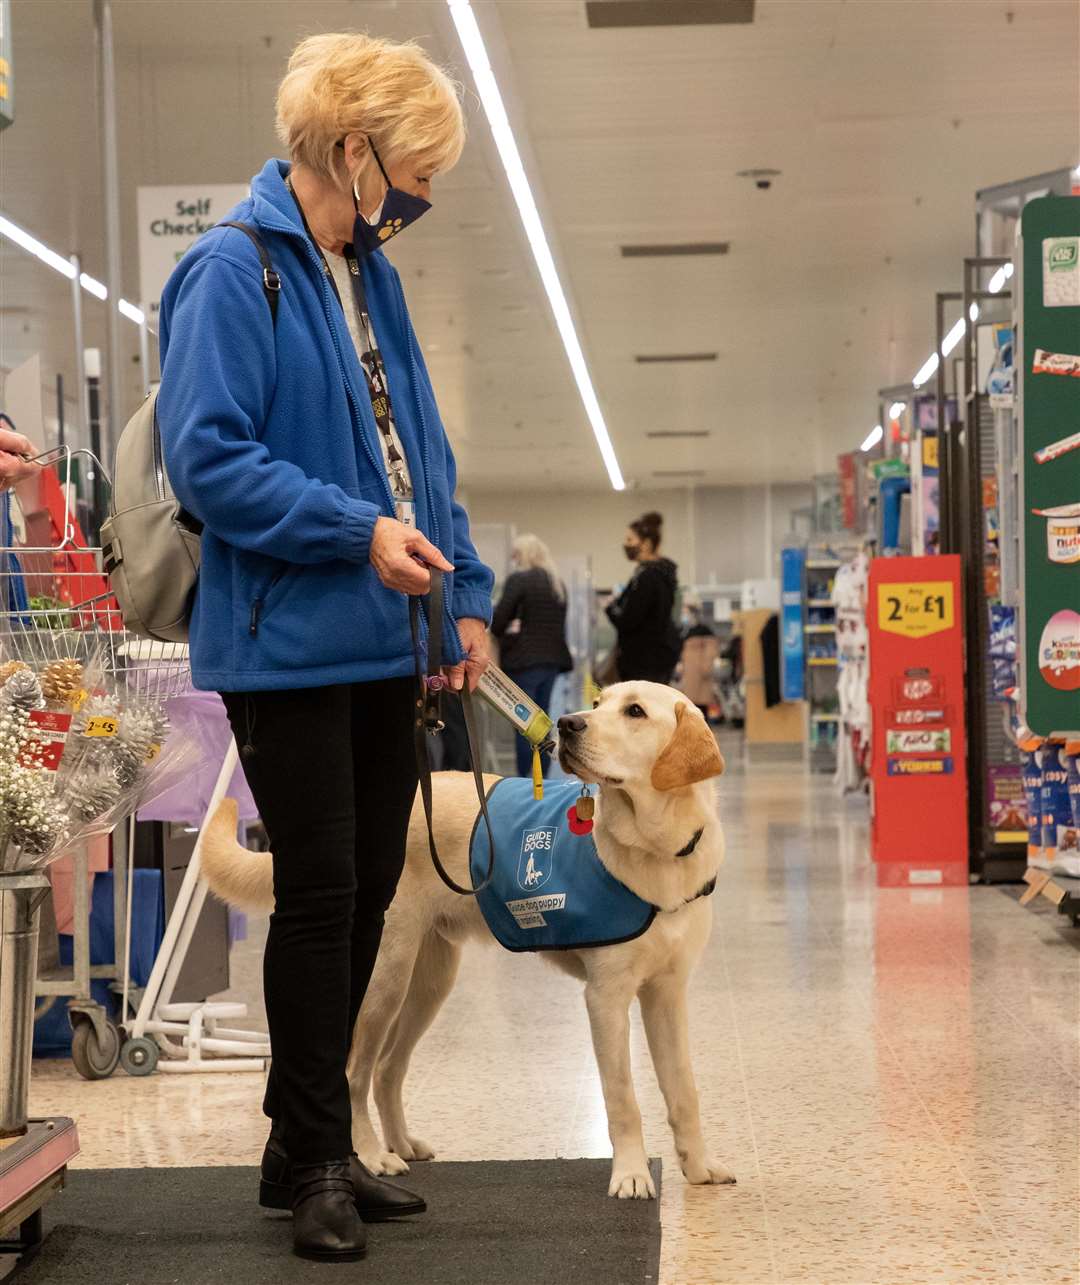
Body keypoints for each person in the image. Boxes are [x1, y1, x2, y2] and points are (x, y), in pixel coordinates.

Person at [156, 33, 494, 1264]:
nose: (419, 197)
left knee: (360, 906)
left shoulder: (370, 278)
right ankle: (310, 1159)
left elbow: (423, 451)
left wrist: (462, 591)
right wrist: (358, 533)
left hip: (385, 635)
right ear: (349, 150)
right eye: (411, 170)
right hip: (284, 641)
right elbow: (211, 461)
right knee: (319, 900)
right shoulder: (230, 272)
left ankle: (309, 1140)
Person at [491, 533, 573, 777]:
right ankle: (543, 776)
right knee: (542, 721)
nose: (514, 560)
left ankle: (526, 779)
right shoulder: (557, 583)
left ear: (523, 555)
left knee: (524, 723)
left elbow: (498, 621)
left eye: (516, 555)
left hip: (523, 661)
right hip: (552, 661)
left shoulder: (519, 580)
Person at [605, 511, 680, 684]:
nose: (625, 544)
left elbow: (628, 620)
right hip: (658, 657)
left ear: (645, 544)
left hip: (644, 661)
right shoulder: (663, 575)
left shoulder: (647, 577)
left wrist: (611, 608)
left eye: (630, 539)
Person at [678, 599, 719, 721]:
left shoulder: (704, 631)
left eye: (687, 613)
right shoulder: (685, 632)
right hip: (689, 674)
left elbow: (711, 651)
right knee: (691, 704)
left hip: (701, 674)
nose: (685, 616)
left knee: (702, 705)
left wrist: (706, 667)